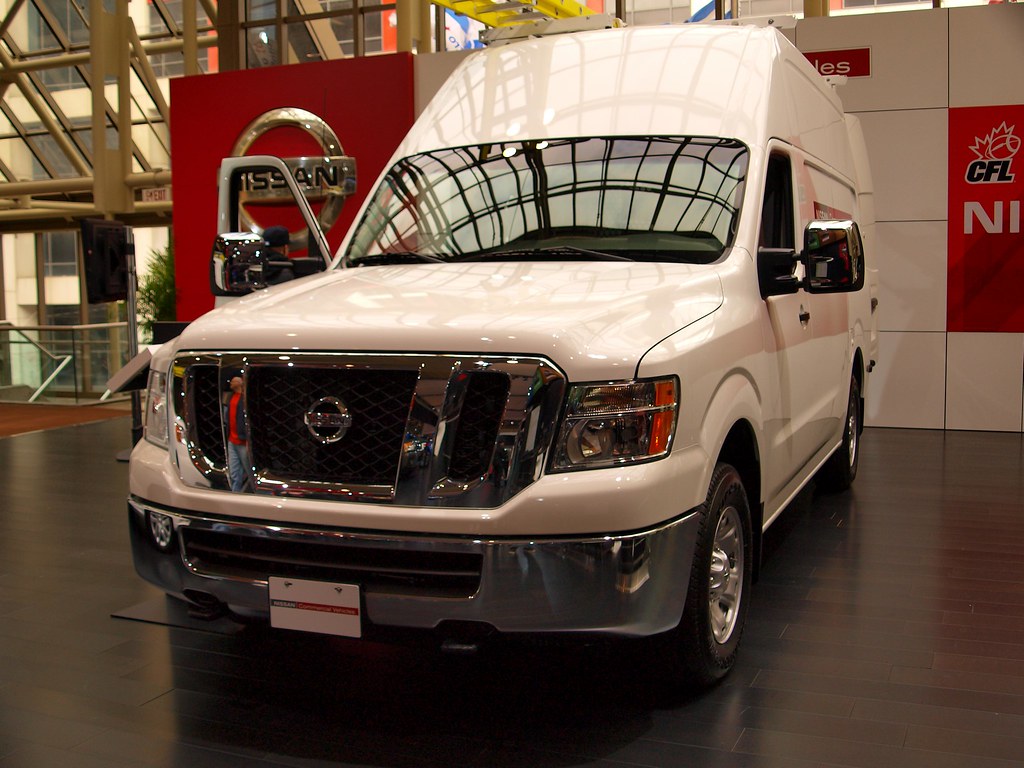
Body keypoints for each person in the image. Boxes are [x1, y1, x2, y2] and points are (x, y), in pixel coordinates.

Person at [225, 376, 252, 492]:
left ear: (240, 383)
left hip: (243, 442)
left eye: (233, 381)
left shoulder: (246, 399)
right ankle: (235, 493)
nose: (231, 383)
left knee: (249, 471)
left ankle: (254, 492)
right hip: (232, 440)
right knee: (234, 472)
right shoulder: (231, 397)